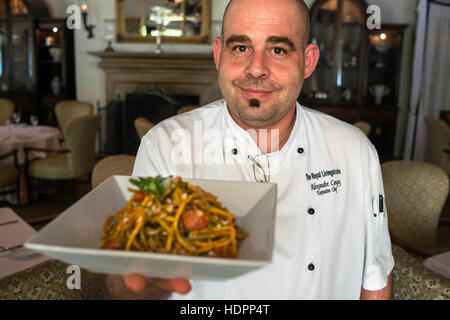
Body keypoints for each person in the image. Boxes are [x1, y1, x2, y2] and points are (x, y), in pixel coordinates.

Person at [114, 0, 394, 299]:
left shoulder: (353, 150)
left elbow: (374, 278)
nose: (256, 69)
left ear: (308, 61)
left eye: (278, 50)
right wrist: (142, 277)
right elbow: (129, 283)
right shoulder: (167, 146)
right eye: (241, 48)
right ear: (219, 54)